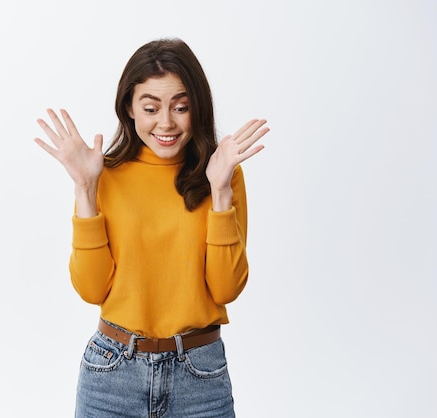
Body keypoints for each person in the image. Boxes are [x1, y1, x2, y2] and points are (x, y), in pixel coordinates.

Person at [34, 38, 269, 417]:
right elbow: (92, 289)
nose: (166, 123)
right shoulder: (102, 174)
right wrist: (85, 189)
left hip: (200, 376)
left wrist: (221, 189)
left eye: (181, 107)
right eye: (151, 108)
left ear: (198, 108)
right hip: (112, 375)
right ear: (129, 108)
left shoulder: (223, 174)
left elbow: (225, 288)